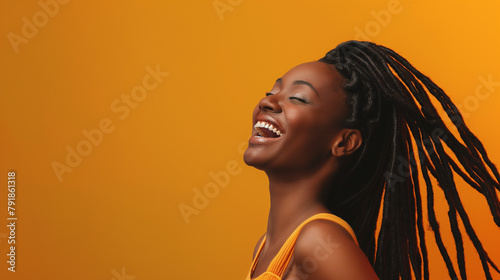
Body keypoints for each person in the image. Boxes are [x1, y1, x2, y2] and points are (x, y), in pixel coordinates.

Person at [242, 40, 500, 280]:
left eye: (297, 98)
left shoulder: (318, 240)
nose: (268, 101)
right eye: (272, 91)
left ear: (343, 143)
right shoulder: (264, 248)